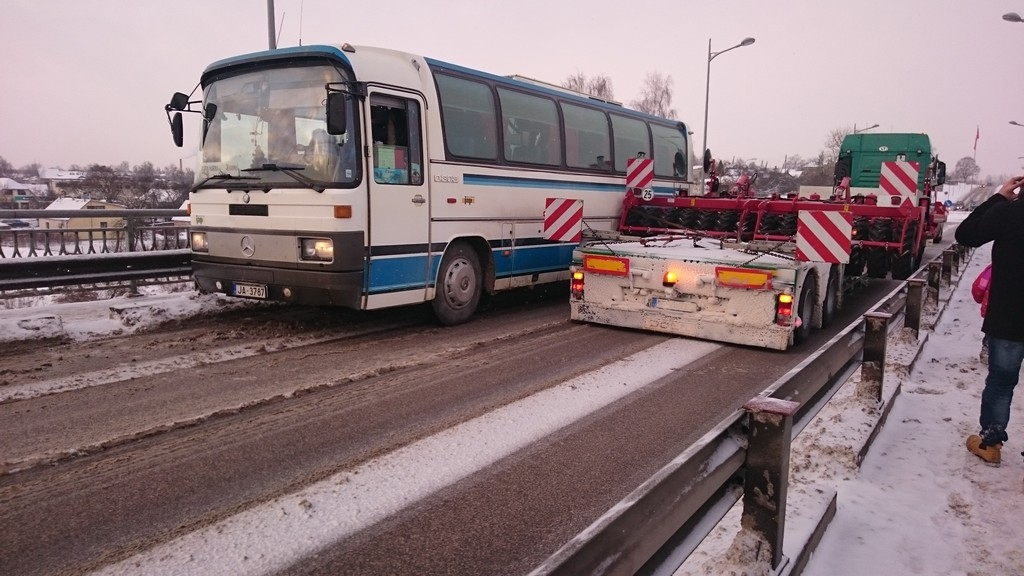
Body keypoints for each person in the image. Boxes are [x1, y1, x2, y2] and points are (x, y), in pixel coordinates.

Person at [954, 174, 1024, 465]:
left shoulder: (1010, 213)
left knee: (1001, 381)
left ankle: (991, 444)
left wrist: (998, 198)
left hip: (1010, 316)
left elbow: (966, 234)